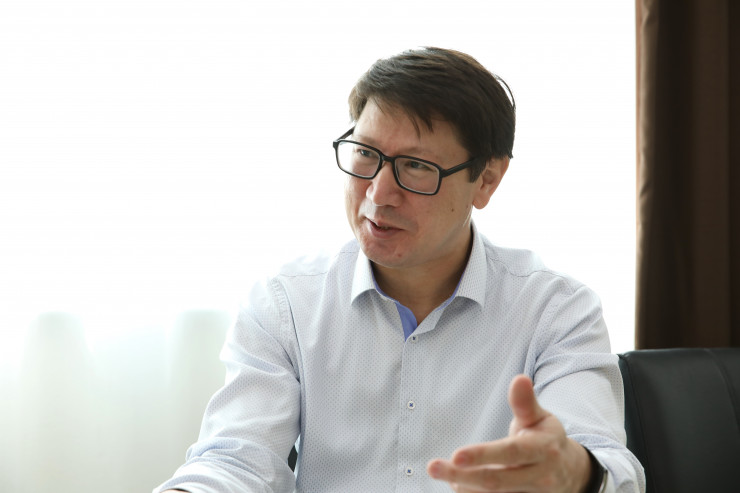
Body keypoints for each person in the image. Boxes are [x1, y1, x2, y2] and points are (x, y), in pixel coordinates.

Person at [155, 47, 645, 493]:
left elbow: (610, 469)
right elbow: (237, 463)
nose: (378, 193)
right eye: (366, 154)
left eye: (415, 166)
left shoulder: (556, 311)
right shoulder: (285, 304)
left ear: (487, 180)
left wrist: (577, 474)